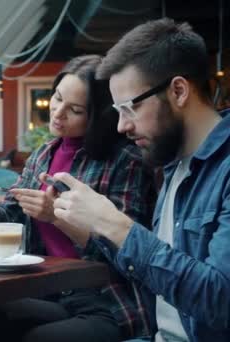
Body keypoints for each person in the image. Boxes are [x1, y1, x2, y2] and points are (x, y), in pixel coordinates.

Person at [50, 19, 230, 342]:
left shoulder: (224, 170)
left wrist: (115, 224)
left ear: (178, 91)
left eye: (129, 108)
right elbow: (158, 277)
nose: (121, 126)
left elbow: (221, 300)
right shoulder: (174, 165)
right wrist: (94, 229)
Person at [0, 55, 157, 342]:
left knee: (39, 338)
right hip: (52, 290)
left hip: (105, 300)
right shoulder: (42, 155)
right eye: (57, 97)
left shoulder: (125, 161)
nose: (58, 112)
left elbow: (129, 251)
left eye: (74, 109)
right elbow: (10, 221)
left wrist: (56, 217)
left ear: (97, 115)